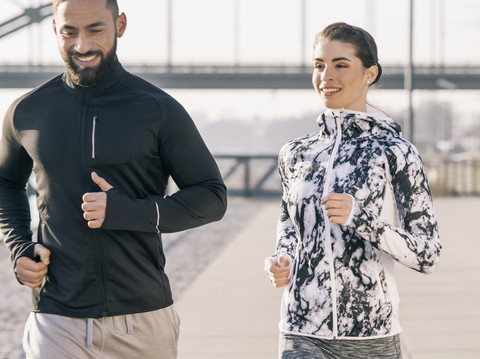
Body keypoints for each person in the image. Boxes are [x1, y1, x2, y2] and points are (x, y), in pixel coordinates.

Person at [0, 0, 227, 358]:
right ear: (54, 30)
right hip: (56, 318)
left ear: (120, 24)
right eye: (69, 32)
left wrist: (129, 212)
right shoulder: (27, 111)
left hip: (142, 320)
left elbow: (212, 197)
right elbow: (6, 184)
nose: (82, 46)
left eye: (95, 29)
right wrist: (19, 249)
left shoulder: (157, 108)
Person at [264, 22, 441, 359]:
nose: (326, 75)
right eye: (319, 65)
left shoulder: (395, 152)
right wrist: (282, 258)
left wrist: (361, 219)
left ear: (369, 74)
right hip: (300, 331)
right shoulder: (296, 153)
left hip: (372, 334)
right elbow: (289, 223)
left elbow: (427, 254)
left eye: (340, 65)